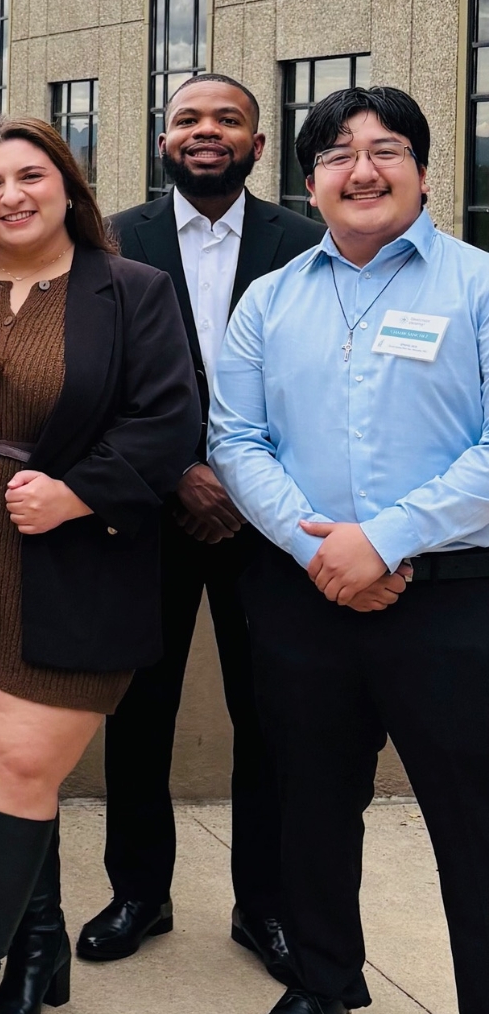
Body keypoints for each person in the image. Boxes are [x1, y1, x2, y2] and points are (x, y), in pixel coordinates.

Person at [0, 118, 197, 1014]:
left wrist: (78, 492)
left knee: (12, 765)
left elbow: (171, 421)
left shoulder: (133, 290)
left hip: (76, 568)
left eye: (31, 176)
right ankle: (41, 954)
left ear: (68, 185)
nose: (12, 196)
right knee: (12, 781)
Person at [210, 86, 489, 1014]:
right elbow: (236, 440)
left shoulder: (478, 285)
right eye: (337, 155)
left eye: (385, 151)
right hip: (305, 599)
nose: (361, 171)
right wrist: (320, 554)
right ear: (310, 180)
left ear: (423, 170)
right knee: (311, 808)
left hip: (453, 600)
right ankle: (323, 984)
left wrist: (386, 539)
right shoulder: (269, 299)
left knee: (473, 823)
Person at [82, 72, 322, 977]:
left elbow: (317, 386)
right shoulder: (113, 239)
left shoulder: (306, 243)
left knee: (273, 715)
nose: (206, 130)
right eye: (188, 119)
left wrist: (243, 483)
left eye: (228, 119)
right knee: (140, 711)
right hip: (149, 514)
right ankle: (139, 892)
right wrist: (181, 470)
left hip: (269, 523)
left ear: (258, 145)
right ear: (164, 141)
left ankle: (266, 906)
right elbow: (97, 379)